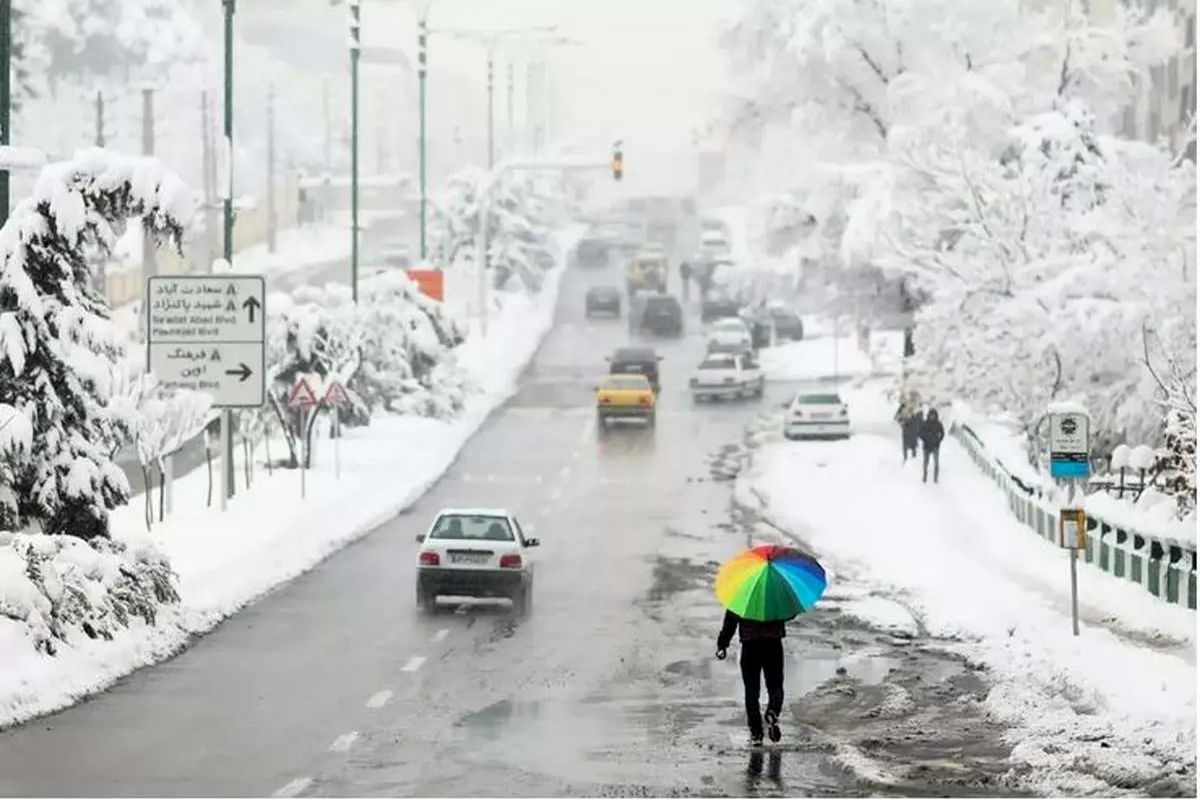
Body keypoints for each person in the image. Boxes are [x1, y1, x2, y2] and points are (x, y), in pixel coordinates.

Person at [716, 609, 785, 746]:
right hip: (773, 644)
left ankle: (756, 732)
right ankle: (773, 711)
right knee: (775, 686)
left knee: (751, 691)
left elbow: (731, 620)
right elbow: (789, 613)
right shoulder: (776, 593)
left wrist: (722, 644)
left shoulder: (742, 594)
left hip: (750, 645)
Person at [919, 408, 945, 483]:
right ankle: (924, 476)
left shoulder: (938, 424)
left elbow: (942, 434)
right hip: (926, 446)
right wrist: (926, 438)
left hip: (935, 446)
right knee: (925, 462)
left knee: (936, 462)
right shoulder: (925, 423)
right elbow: (920, 433)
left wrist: (938, 440)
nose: (932, 417)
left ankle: (935, 478)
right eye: (931, 415)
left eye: (933, 415)